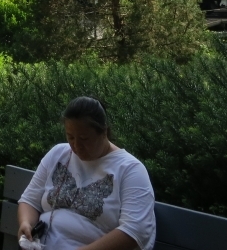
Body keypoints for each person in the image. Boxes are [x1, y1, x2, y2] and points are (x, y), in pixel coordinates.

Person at [17, 97, 155, 250]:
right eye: (70, 137)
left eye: (84, 139)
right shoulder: (58, 153)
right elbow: (30, 200)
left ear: (104, 132)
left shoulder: (130, 169)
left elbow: (135, 231)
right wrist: (26, 224)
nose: (76, 146)